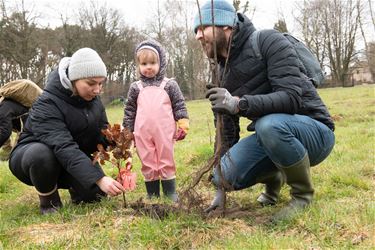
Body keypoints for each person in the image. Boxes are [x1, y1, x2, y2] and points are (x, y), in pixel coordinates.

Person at [193, 0, 335, 222]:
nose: (198, 36)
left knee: (268, 125)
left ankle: (302, 196)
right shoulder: (219, 73)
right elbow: (226, 133)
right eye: (196, 31)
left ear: (225, 26)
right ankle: (274, 179)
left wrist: (239, 104)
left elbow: (291, 97)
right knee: (225, 173)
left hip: (315, 134)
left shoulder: (268, 40)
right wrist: (220, 188)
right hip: (271, 136)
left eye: (203, 28)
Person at [9, 48, 125, 215]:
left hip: (69, 159)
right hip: (33, 158)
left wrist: (115, 137)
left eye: (100, 83)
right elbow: (63, 146)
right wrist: (98, 178)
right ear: (73, 79)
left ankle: (77, 188)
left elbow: (98, 137)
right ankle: (49, 202)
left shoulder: (94, 100)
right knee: (41, 154)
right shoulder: (47, 103)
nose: (97, 90)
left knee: (95, 197)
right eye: (91, 83)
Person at [123, 39, 189, 202]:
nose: (148, 67)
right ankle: (152, 193)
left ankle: (169, 191)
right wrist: (127, 130)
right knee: (148, 160)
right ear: (138, 65)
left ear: (161, 62)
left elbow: (179, 104)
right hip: (142, 133)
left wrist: (182, 121)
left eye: (153, 62)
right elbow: (130, 110)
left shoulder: (169, 85)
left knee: (166, 158)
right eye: (144, 63)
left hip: (164, 131)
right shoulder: (136, 88)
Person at [0, 80, 42, 161]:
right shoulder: (7, 102)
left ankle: (12, 157)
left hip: (33, 107)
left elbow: (5, 132)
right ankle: (11, 156)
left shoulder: (3, 108)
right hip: (29, 107)